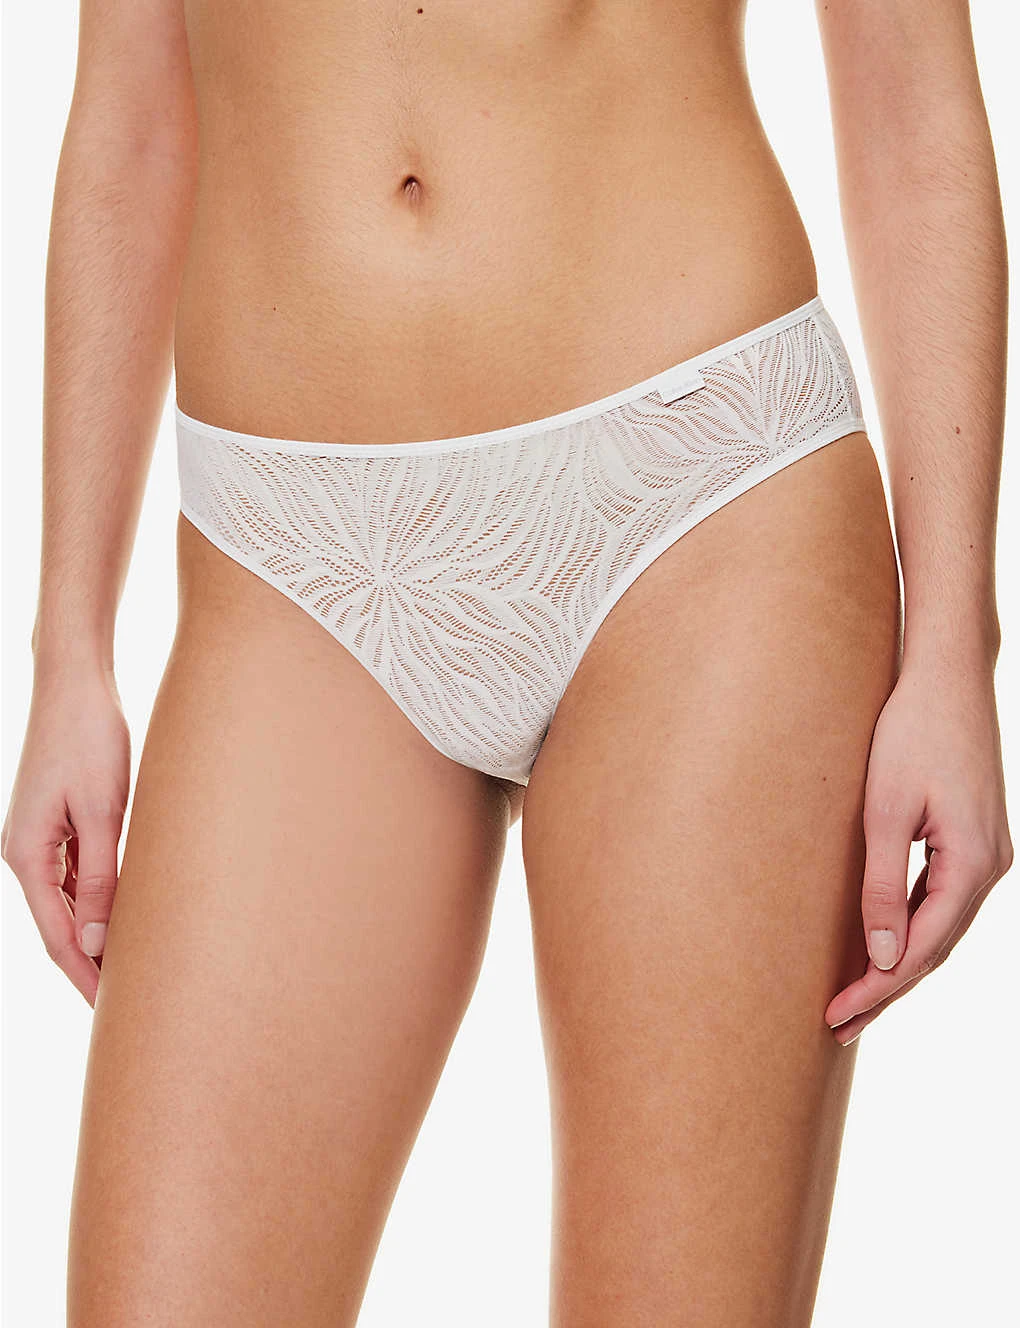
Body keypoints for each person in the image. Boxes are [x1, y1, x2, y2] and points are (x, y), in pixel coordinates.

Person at [1, 0, 1012, 1323]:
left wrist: (956, 649)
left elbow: (907, 96)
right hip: (288, 562)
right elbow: (129, 108)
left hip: (696, 500)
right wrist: (68, 645)